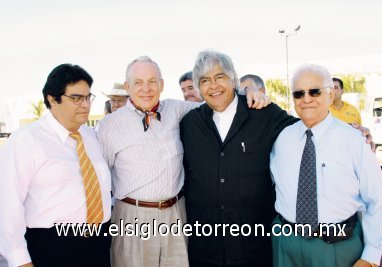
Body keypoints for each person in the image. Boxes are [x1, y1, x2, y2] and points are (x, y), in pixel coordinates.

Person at [97, 55, 269, 267]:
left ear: (161, 84)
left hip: (176, 214)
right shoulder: (109, 126)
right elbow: (99, 181)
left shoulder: (177, 110)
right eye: (138, 83)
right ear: (127, 86)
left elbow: (217, 100)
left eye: (152, 81)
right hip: (133, 216)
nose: (146, 88)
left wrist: (247, 91)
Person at [180, 50, 298, 267]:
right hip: (205, 248)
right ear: (198, 87)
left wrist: (353, 130)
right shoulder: (189, 123)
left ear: (233, 78)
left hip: (254, 247)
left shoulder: (263, 113)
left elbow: (306, 129)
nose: (213, 86)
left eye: (220, 77)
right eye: (205, 80)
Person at [270, 64, 382, 267]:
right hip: (286, 244)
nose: (306, 99)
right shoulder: (282, 138)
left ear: (331, 93)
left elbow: (377, 200)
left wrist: (371, 256)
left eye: (314, 91)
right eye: (299, 94)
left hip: (337, 247)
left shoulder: (354, 140)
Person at [0, 64, 112, 267]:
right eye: (76, 98)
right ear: (52, 99)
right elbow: (8, 205)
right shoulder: (25, 141)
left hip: (99, 245)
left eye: (88, 97)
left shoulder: (92, 137)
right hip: (52, 248)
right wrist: (20, 260)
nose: (85, 104)